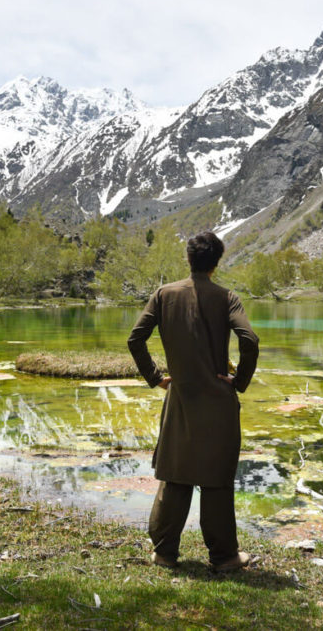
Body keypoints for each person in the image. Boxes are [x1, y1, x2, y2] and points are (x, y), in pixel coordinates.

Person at [127, 231, 259, 572]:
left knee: (176, 474)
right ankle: (225, 557)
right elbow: (249, 339)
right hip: (219, 402)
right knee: (217, 479)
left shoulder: (164, 294)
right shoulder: (227, 297)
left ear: (189, 259)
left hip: (180, 398)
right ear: (216, 263)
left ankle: (165, 553)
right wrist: (239, 381)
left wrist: (157, 377)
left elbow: (135, 339)